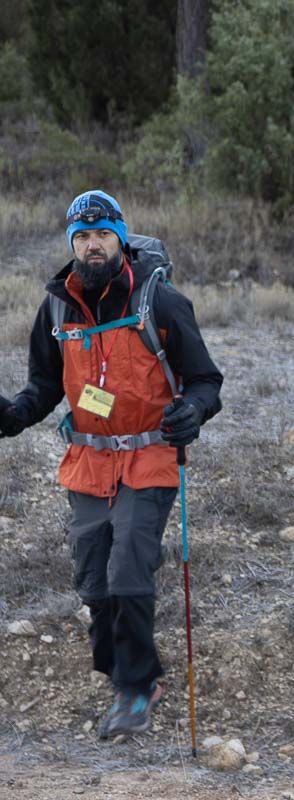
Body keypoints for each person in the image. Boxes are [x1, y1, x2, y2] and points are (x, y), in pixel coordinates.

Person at [0, 190, 224, 740]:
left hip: (150, 455)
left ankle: (136, 688)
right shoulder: (56, 306)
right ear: (72, 244)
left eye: (102, 234)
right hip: (89, 462)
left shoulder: (161, 302)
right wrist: (12, 416)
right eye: (82, 236)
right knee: (92, 579)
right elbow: (45, 386)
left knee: (128, 564)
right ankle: (119, 671)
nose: (92, 244)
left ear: (120, 238)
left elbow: (206, 382)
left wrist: (191, 412)